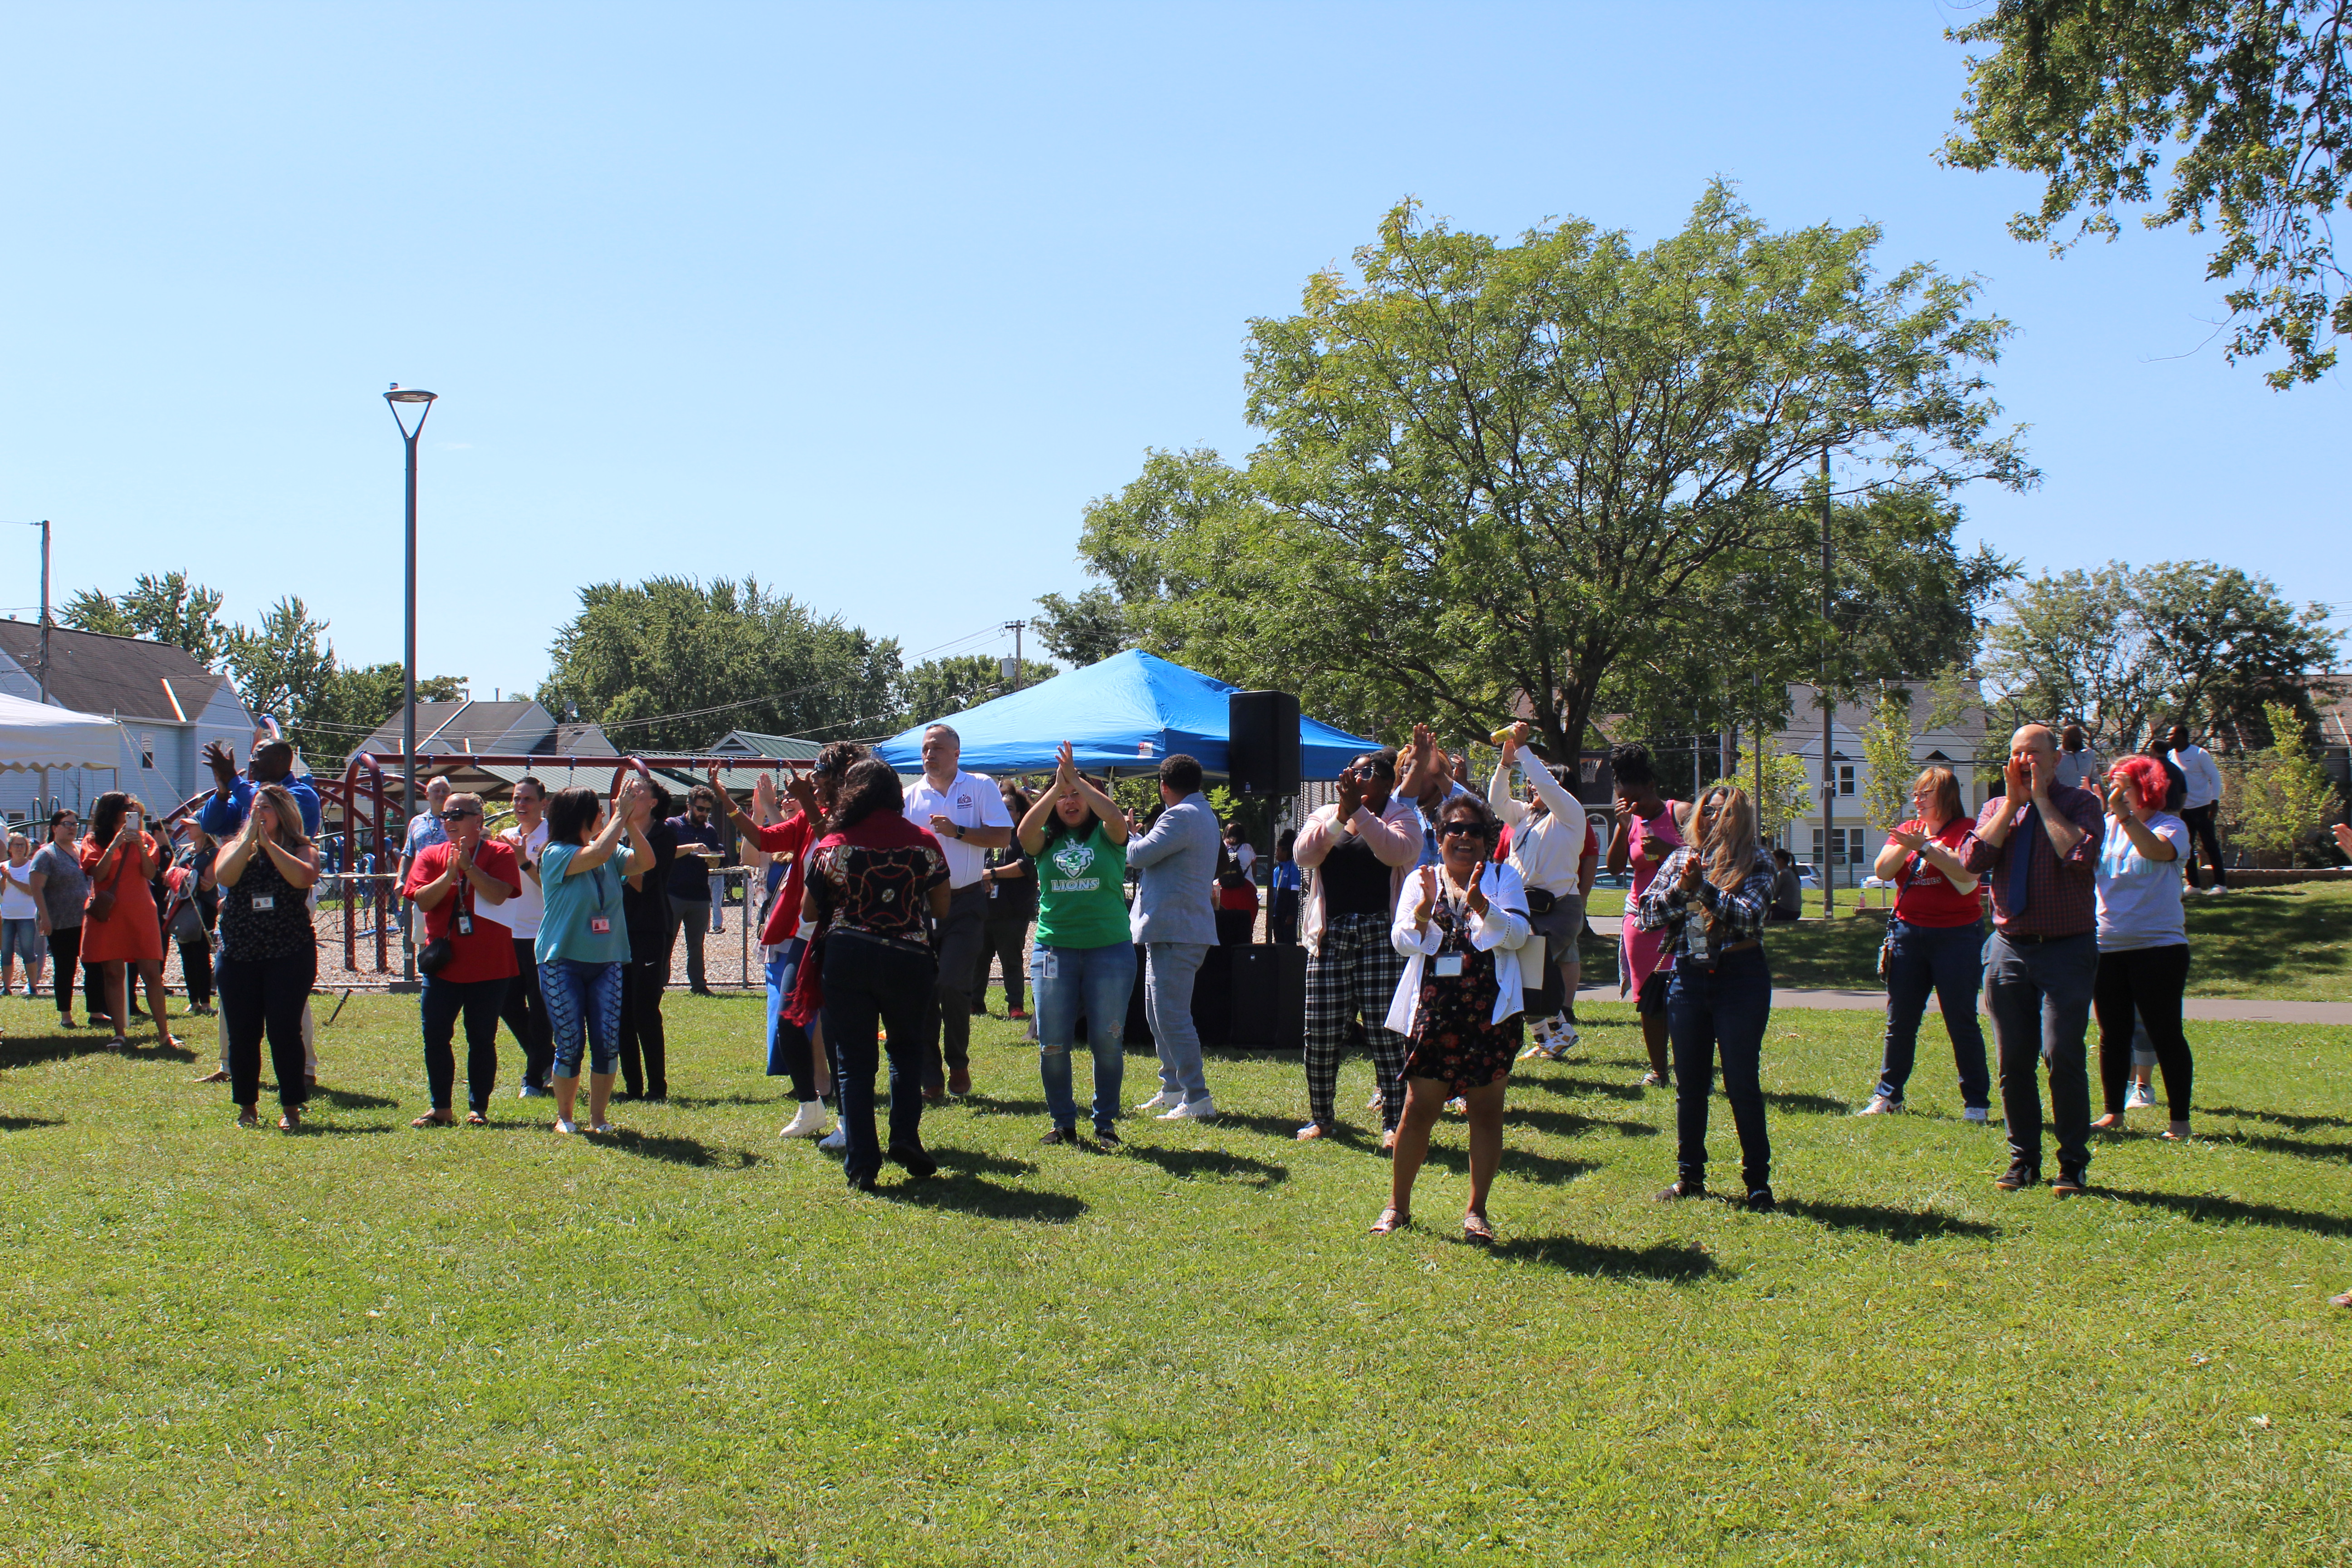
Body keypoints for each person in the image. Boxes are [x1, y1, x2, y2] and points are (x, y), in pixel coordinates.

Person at [1371, 793, 1531, 1242]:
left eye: (1475, 831)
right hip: (1434, 1012)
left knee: (1486, 1111)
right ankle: (1397, 1207)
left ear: (1488, 839)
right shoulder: (1422, 879)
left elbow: (1518, 936)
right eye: (1454, 830)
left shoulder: (1504, 879)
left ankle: (1476, 1212)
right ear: (1439, 838)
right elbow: (1403, 941)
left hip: (1490, 1012)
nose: (1464, 838)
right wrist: (1422, 914)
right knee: (1418, 1109)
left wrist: (1482, 904)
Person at [1960, 723, 2106, 1197]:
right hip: (2009, 948)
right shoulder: (1995, 808)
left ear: (2056, 759)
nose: (2026, 762)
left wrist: (2042, 802)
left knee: (2062, 1054)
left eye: (2035, 754)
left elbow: (2080, 856)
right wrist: (2011, 805)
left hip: (2067, 947)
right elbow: (1973, 860)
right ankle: (2023, 1159)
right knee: (2013, 1061)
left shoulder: (2080, 804)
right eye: (2018, 754)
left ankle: (2073, 1164)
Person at [804, 758, 953, 1191]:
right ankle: (905, 1137)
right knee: (907, 1052)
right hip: (910, 959)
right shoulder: (924, 842)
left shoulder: (834, 844)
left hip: (848, 956)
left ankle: (862, 1166)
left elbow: (809, 912)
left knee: (854, 1062)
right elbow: (942, 908)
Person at [1639, 784, 1779, 1209]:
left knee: (1741, 1083)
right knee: (1691, 1085)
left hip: (1740, 976)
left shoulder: (1759, 861)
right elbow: (1647, 914)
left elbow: (1748, 915)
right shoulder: (1681, 859)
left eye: (1722, 812)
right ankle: (1690, 1177)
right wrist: (1684, 890)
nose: (1713, 819)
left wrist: (1703, 890)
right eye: (1706, 812)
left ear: (1741, 819)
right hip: (1688, 976)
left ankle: (1757, 1182)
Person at [709, 749, 852, 1141]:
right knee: (789, 1023)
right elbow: (762, 839)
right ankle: (810, 1109)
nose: (812, 780)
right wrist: (725, 798)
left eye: (819, 774)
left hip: (843, 934)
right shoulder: (807, 817)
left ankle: (847, 1120)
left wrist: (805, 799)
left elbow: (834, 846)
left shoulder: (853, 818)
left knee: (841, 1030)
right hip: (804, 935)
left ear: (838, 779)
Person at [1292, 748, 1420, 1144]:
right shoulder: (1326, 813)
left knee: (1387, 1034)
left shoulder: (1401, 817)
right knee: (1322, 1032)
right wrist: (1341, 816)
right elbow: (1304, 856)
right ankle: (1322, 1118)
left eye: (1364, 773)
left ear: (1387, 782)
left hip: (1380, 936)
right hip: (1332, 938)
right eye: (1350, 772)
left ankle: (1393, 1124)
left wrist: (1359, 814)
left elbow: (1397, 852)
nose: (1353, 777)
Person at [1015, 742, 1135, 1145]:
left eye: (1077, 795)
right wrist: (1058, 786)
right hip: (1054, 950)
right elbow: (1023, 832)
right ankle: (1063, 1123)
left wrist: (1078, 781)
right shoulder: (1045, 841)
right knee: (1052, 1043)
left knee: (1107, 1040)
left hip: (1110, 950)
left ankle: (1105, 1123)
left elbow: (1116, 816)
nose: (1070, 802)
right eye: (1064, 797)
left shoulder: (1108, 835)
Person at [1855, 766, 1990, 1120]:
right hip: (1908, 935)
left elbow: (1966, 874)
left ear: (1945, 797)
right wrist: (1908, 844)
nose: (1917, 800)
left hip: (1957, 936)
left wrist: (1926, 849)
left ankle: (1976, 1102)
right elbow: (1884, 871)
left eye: (1924, 794)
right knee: (1900, 1021)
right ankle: (1889, 1096)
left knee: (1961, 1020)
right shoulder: (1908, 830)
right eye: (1916, 794)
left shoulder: (1966, 830)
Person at [199, 730, 325, 1085]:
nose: (251, 763)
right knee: (237, 990)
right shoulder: (244, 792)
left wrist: (236, 782)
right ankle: (230, 1064)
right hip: (241, 904)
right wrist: (224, 788)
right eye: (251, 759)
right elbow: (210, 825)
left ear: (282, 762)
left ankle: (303, 1069)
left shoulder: (301, 794)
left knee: (287, 994)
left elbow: (279, 814)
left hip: (286, 904)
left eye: (259, 757)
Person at [902, 724, 1015, 1098]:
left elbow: (1003, 836)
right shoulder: (908, 798)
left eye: (937, 748)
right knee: (921, 989)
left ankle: (959, 1062)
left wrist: (958, 833)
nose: (929, 754)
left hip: (965, 901)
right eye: (924, 749)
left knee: (951, 983)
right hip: (918, 904)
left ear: (956, 753)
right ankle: (930, 1076)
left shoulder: (979, 786)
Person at [536, 777, 651, 1136]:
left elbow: (646, 862)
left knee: (607, 1041)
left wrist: (629, 820)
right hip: (562, 961)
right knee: (570, 1041)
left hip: (607, 961)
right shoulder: (555, 854)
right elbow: (597, 853)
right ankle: (565, 1116)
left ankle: (598, 1118)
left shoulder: (610, 851)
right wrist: (621, 815)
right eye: (599, 810)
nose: (605, 814)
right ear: (581, 817)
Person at [2089, 754, 2195, 1141]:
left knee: (2164, 1031)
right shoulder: (2105, 827)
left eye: (2124, 785)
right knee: (2112, 1033)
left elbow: (2155, 852)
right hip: (2108, 946)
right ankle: (2113, 1113)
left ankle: (2179, 1123)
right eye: (2113, 784)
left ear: (2147, 788)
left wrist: (2126, 818)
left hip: (2159, 947)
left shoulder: (2173, 827)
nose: (2116, 792)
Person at [402, 791, 521, 1128]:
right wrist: (450, 874)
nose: (449, 821)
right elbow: (423, 902)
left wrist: (469, 869)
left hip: (490, 965)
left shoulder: (499, 853)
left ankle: (478, 1108)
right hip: (444, 965)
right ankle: (440, 1108)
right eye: (446, 816)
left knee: (481, 1038)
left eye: (458, 815)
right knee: (436, 1036)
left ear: (478, 820)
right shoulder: (430, 854)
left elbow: (499, 895)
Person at [211, 784, 320, 1130]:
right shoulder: (233, 847)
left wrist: (270, 846)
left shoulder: (303, 849)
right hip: (240, 953)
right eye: (255, 808)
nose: (259, 814)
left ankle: (291, 1108)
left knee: (284, 1031)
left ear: (284, 813)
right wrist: (249, 842)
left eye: (268, 809)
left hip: (288, 952)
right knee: (243, 1033)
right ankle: (247, 1107)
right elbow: (224, 876)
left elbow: (303, 878)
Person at [1126, 752, 1224, 1121]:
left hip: (1176, 931)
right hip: (1172, 930)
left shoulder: (1180, 815)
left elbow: (1137, 856)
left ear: (1164, 787)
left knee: (1172, 1016)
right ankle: (1173, 1088)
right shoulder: (1201, 813)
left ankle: (1197, 1098)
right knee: (1158, 1014)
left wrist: (1126, 831)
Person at [1490, 725, 1589, 1061]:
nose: (1532, 786)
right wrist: (1505, 765)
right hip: (1525, 906)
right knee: (1522, 969)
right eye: (1529, 782)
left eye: (1539, 781)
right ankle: (1553, 1035)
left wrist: (1523, 750)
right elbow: (1497, 801)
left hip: (1560, 908)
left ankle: (1556, 1032)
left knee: (1525, 966)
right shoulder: (1527, 817)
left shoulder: (1571, 816)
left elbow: (1546, 783)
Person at [1605, 743, 1681, 1089]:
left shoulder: (1679, 813)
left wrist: (1668, 851)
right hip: (1640, 918)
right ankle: (1659, 1071)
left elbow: (1706, 858)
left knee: (1683, 994)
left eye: (1636, 800)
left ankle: (1689, 1066)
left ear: (1651, 785)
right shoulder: (1631, 821)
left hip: (1678, 919)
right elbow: (1616, 867)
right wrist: (1623, 825)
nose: (1633, 807)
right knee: (1649, 998)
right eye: (1626, 801)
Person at [79, 792, 178, 1052]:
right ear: (112, 811)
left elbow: (149, 873)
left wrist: (137, 846)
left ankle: (164, 1034)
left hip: (140, 911)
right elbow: (98, 874)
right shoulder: (93, 840)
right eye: (127, 807)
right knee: (113, 974)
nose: (132, 811)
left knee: (152, 974)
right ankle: (120, 1034)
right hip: (110, 913)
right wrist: (114, 845)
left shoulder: (144, 838)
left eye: (133, 808)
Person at [617, 778, 679, 1102]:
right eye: (628, 791)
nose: (631, 795)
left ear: (653, 802)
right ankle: (633, 1087)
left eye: (638, 792)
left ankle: (657, 1087)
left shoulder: (663, 835)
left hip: (651, 930)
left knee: (644, 1009)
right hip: (620, 931)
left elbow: (641, 882)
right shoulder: (620, 834)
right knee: (622, 1013)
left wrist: (625, 830)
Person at [495, 776, 556, 1098]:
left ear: (543, 803)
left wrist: (522, 859)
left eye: (528, 799)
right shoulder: (505, 836)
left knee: (540, 1005)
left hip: (541, 933)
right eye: (517, 799)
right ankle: (546, 1057)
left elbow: (552, 886)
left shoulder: (552, 838)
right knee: (506, 1002)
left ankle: (533, 1079)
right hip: (509, 932)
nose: (521, 805)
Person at [29, 808, 101, 1028]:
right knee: (65, 968)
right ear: (54, 828)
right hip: (60, 922)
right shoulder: (46, 854)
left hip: (86, 921)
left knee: (94, 966)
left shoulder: (80, 850)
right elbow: (36, 887)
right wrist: (45, 918)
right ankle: (66, 1016)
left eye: (75, 824)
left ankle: (96, 1012)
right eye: (67, 824)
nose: (72, 828)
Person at [972, 781, 1036, 1019]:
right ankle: (975, 1003)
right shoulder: (990, 836)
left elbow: (1025, 866)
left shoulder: (1025, 837)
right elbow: (978, 864)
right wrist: (983, 875)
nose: (1005, 813)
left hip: (1013, 912)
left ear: (1020, 813)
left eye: (1010, 809)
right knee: (979, 959)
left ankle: (1015, 1007)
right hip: (986, 909)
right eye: (1001, 808)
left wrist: (993, 874)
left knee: (1011, 961)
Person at [665, 784, 727, 996]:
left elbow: (714, 864)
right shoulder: (673, 825)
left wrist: (712, 859)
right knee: (666, 942)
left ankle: (699, 986)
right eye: (701, 809)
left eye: (708, 810)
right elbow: (664, 853)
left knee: (696, 945)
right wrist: (691, 847)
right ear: (689, 805)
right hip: (673, 893)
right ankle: (659, 983)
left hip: (700, 895)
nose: (704, 814)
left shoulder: (709, 831)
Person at [162, 823, 217, 1018]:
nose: (187, 829)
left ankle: (206, 1002)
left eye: (191, 825)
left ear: (204, 828)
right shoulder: (184, 850)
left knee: (201, 954)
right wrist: (188, 876)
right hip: (182, 907)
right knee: (186, 953)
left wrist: (183, 875)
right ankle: (193, 1001)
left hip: (204, 909)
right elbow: (168, 876)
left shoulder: (214, 853)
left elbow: (208, 883)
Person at [2166, 721, 2229, 891]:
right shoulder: (2170, 756)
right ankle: (2194, 885)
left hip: (2203, 807)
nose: (2168, 737)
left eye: (2171, 734)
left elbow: (2215, 777)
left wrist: (2214, 801)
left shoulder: (2200, 754)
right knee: (2187, 847)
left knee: (2210, 845)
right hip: (2183, 809)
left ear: (2182, 736)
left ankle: (2221, 885)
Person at [395, 777, 453, 950]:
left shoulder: (457, 820)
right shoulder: (416, 822)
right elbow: (408, 853)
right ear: (427, 795)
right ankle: (425, 974)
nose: (441, 794)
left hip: (450, 886)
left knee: (450, 935)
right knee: (424, 939)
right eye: (437, 790)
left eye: (445, 791)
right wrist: (401, 879)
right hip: (423, 888)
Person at [1, 832, 44, 998]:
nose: (20, 848)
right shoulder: (3, 867)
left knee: (29, 951)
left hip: (27, 916)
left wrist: (10, 878)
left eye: (22, 845)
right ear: (10, 848)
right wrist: (4, 879)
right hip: (7, 916)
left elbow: (30, 891)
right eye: (16, 845)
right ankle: (7, 987)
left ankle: (32, 986)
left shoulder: (32, 866)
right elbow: (2, 893)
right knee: (6, 953)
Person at [1213, 833, 1260, 946]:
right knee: (1247, 930)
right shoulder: (1248, 848)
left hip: (1223, 891)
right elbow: (1254, 872)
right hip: (1246, 890)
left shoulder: (1221, 847)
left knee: (1223, 929)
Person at [1268, 830, 1302, 946]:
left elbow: (1294, 896)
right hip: (1276, 915)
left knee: (1289, 944)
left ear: (1286, 851)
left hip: (1287, 915)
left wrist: (1291, 914)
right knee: (1278, 942)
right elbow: (1273, 894)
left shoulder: (1294, 871)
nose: (1276, 854)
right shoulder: (1276, 871)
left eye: (1278, 850)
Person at [2053, 724, 2101, 792]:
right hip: (2062, 798)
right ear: (2066, 738)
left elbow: (2095, 778)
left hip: (2084, 798)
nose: (2080, 740)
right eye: (2076, 737)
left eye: (2080, 736)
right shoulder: (2055, 755)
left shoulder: (2089, 753)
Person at [1767, 849, 1803, 921]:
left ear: (1780, 861)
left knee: (1759, 915)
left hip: (1787, 911)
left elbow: (1774, 896)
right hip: (1796, 912)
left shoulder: (1783, 874)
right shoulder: (1792, 872)